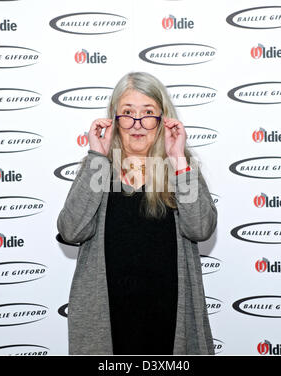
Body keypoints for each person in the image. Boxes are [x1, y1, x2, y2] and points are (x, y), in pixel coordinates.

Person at [57, 71, 217, 355]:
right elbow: (71, 231)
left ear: (163, 119)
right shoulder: (98, 168)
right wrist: (96, 158)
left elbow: (200, 228)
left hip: (169, 323)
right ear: (114, 120)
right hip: (109, 326)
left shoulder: (180, 169)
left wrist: (178, 159)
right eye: (127, 113)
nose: (137, 124)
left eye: (148, 113)